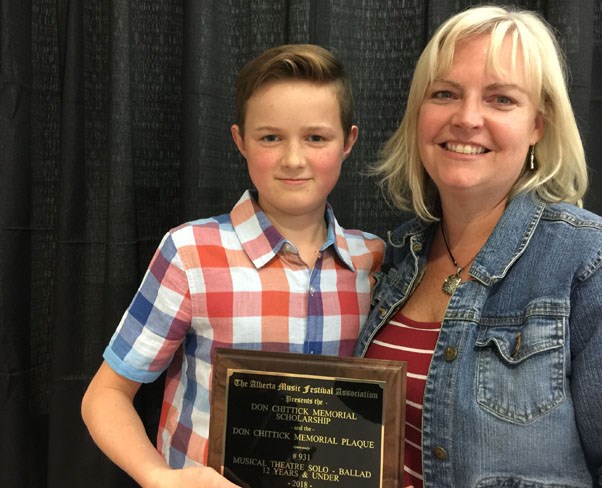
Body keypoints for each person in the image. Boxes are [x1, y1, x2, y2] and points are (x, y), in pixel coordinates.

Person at [354, 5, 602, 488]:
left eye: (501, 99)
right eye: (444, 94)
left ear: (538, 126)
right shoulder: (397, 257)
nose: (466, 119)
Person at [81, 44, 384, 488]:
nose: (293, 159)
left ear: (348, 142)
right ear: (241, 140)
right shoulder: (190, 253)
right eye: (270, 137)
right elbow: (105, 395)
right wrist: (158, 478)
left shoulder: (374, 261)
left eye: (316, 138)